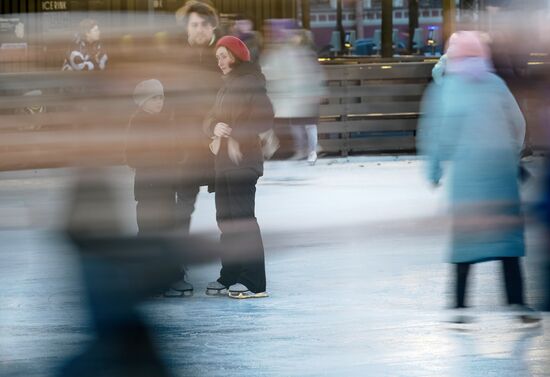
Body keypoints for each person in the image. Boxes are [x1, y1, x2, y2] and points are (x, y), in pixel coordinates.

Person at [417, 31, 540, 324]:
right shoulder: (495, 83)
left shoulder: (446, 88)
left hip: (468, 179)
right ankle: (518, 303)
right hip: (500, 175)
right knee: (508, 243)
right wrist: (511, 154)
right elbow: (518, 122)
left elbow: (434, 135)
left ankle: (459, 307)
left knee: (465, 242)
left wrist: (434, 171)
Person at [160, 1, 223, 296]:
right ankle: (174, 270)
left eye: (204, 24)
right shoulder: (176, 58)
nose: (199, 29)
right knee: (180, 210)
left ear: (213, 26)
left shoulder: (222, 56)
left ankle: (233, 270)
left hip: (217, 144)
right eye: (194, 24)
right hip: (185, 148)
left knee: (230, 211)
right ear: (186, 27)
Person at [204, 36, 273, 299]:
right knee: (227, 221)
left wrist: (236, 136)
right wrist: (214, 127)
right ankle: (231, 274)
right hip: (222, 163)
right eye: (217, 57)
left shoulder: (251, 83)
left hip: (243, 162)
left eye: (223, 55)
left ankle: (254, 282)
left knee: (243, 221)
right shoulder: (226, 86)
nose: (219, 61)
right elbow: (209, 118)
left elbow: (264, 118)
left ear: (236, 55)